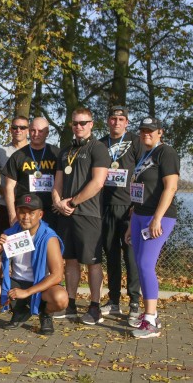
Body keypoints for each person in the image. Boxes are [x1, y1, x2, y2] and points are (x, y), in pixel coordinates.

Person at [0, 194, 67, 334]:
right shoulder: (9, 234)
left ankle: (45, 314)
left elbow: (57, 276)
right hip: (15, 281)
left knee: (61, 299)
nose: (26, 217)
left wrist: (27, 292)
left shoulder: (49, 237)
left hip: (40, 284)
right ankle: (20, 310)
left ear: (40, 215)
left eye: (31, 213)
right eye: (22, 212)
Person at [52, 107, 110, 325]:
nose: (79, 127)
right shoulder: (65, 151)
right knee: (71, 261)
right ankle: (71, 304)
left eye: (83, 123)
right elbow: (57, 182)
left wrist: (74, 202)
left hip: (88, 214)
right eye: (75, 123)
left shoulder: (99, 148)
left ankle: (95, 307)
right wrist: (58, 201)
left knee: (92, 263)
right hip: (65, 213)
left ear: (92, 124)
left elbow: (98, 182)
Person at [125, 117, 179, 338]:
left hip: (158, 217)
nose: (146, 133)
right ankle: (149, 315)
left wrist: (157, 218)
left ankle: (151, 319)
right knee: (140, 264)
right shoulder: (144, 155)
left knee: (146, 264)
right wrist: (131, 223)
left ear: (160, 132)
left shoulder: (166, 152)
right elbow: (138, 191)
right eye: (143, 130)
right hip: (139, 216)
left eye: (151, 130)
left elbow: (172, 187)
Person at [98, 106, 142, 319]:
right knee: (111, 255)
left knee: (131, 256)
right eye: (113, 118)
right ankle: (114, 300)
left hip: (129, 208)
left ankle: (134, 301)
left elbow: (144, 171)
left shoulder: (136, 141)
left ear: (127, 122)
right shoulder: (100, 143)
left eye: (121, 118)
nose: (116, 122)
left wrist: (138, 205)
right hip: (105, 206)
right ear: (108, 121)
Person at [3, 117, 60, 229]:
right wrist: (12, 214)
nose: (36, 134)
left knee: (50, 245)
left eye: (40, 131)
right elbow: (9, 187)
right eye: (33, 130)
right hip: (26, 212)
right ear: (29, 131)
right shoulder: (18, 156)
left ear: (47, 133)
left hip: (51, 211)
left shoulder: (56, 154)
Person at [0, 116, 29, 234]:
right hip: (5, 206)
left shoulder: (34, 151)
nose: (18, 130)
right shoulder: (0, 152)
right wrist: (3, 190)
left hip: (29, 205)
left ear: (28, 130)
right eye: (15, 127)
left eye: (22, 127)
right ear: (10, 130)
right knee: (5, 244)